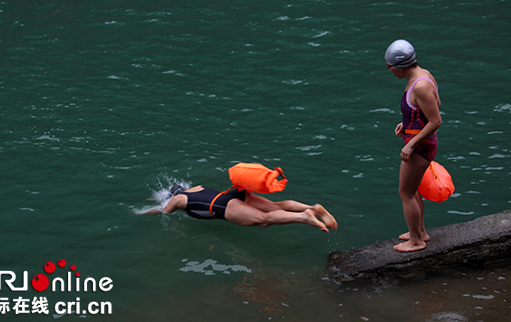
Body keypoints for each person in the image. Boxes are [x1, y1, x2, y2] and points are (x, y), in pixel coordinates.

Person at [385, 39, 442, 252]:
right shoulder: (423, 75)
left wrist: (411, 144)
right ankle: (420, 232)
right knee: (413, 189)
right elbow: (430, 109)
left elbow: (436, 120)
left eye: (390, 66)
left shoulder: (421, 85)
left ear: (401, 66)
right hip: (418, 139)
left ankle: (416, 241)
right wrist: (407, 123)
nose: (389, 70)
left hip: (421, 146)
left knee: (405, 193)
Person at [145, 184, 338, 233]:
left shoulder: (178, 200)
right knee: (274, 206)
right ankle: (312, 207)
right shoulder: (195, 188)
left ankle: (304, 217)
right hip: (231, 194)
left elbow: (164, 211)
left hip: (223, 206)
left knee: (265, 219)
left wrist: (143, 212)